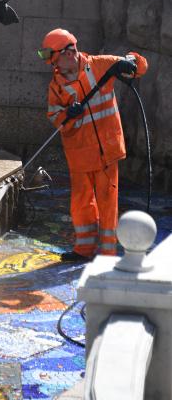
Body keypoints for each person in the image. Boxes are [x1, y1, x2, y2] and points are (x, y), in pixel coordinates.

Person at [38, 28, 148, 262]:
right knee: (81, 204)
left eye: (56, 60)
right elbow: (55, 117)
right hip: (79, 155)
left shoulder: (100, 66)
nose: (54, 66)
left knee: (108, 203)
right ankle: (84, 249)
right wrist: (69, 113)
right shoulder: (56, 86)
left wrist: (129, 62)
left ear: (69, 52)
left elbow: (140, 67)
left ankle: (107, 253)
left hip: (106, 151)